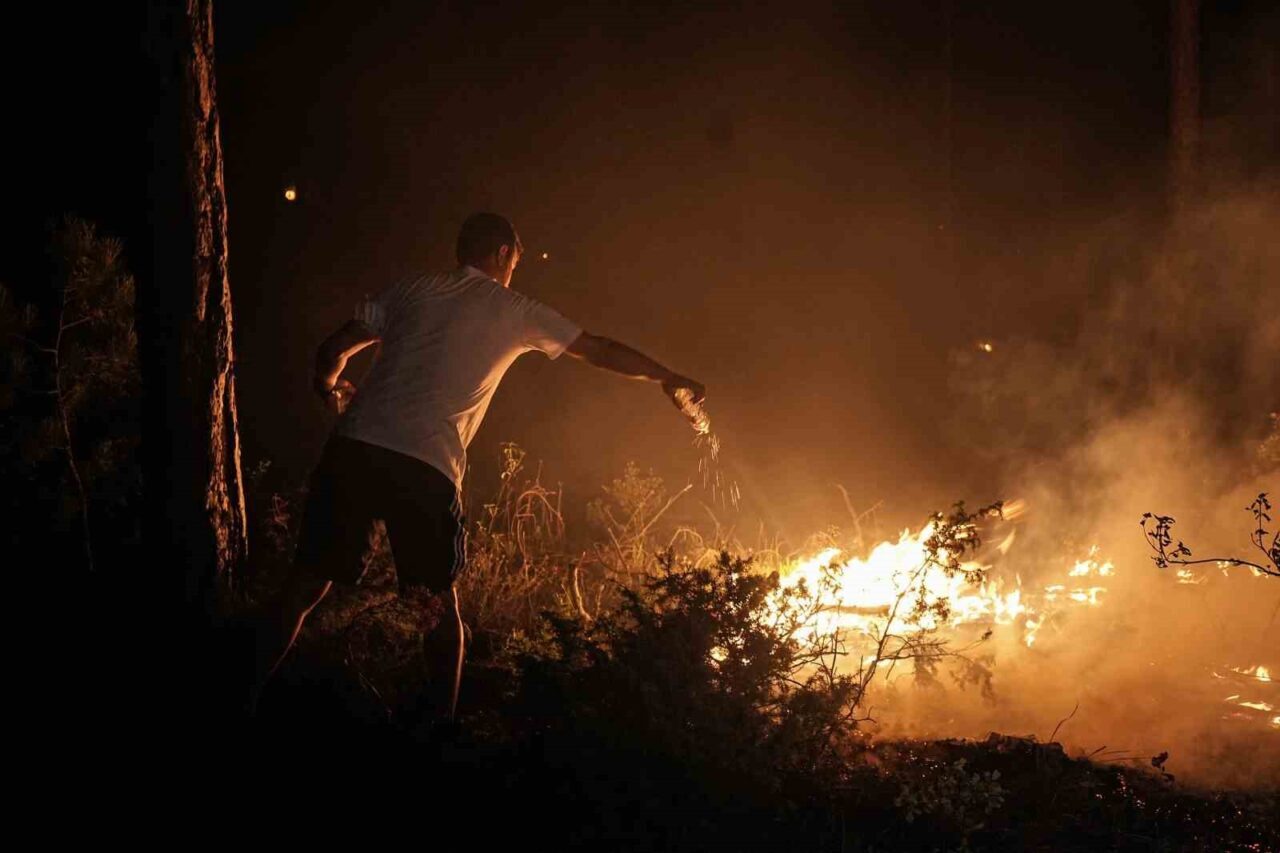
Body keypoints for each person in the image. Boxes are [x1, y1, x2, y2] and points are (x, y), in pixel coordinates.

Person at [253, 212, 705, 722]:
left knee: (304, 588)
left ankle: (235, 695)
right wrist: (667, 376)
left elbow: (332, 351)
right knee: (440, 615)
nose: (517, 268)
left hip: (354, 448)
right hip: (424, 466)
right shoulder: (513, 308)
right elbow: (597, 350)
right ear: (503, 254)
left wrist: (331, 391)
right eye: (517, 258)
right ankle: (439, 737)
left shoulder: (413, 288)